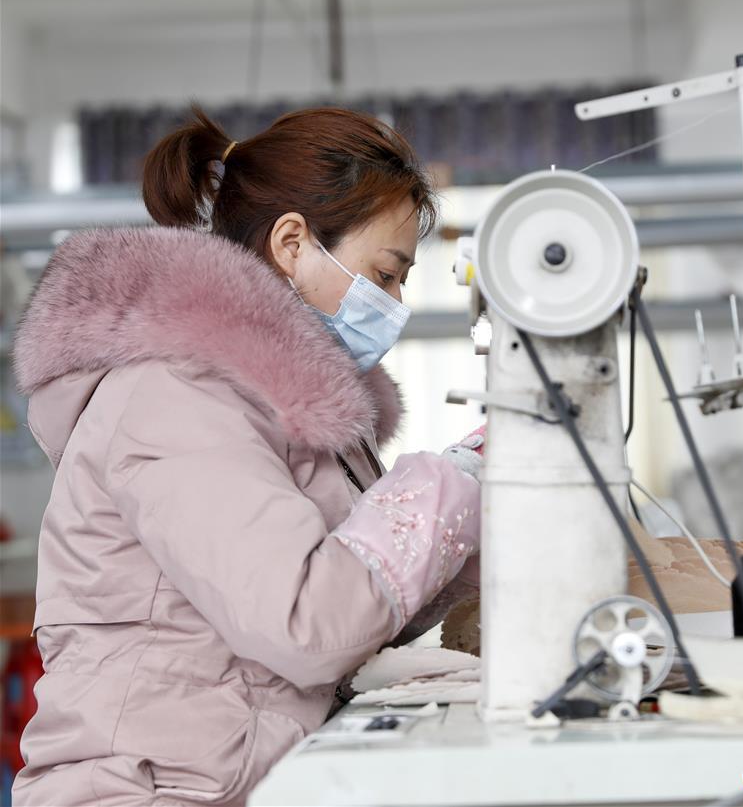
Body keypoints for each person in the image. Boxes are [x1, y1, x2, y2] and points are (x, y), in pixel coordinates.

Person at [11, 106, 482, 807]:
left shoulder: (301, 411)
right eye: (386, 274)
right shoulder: (172, 393)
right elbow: (307, 623)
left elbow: (363, 596)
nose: (396, 303)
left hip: (240, 781)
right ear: (293, 241)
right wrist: (449, 484)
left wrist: (481, 508)